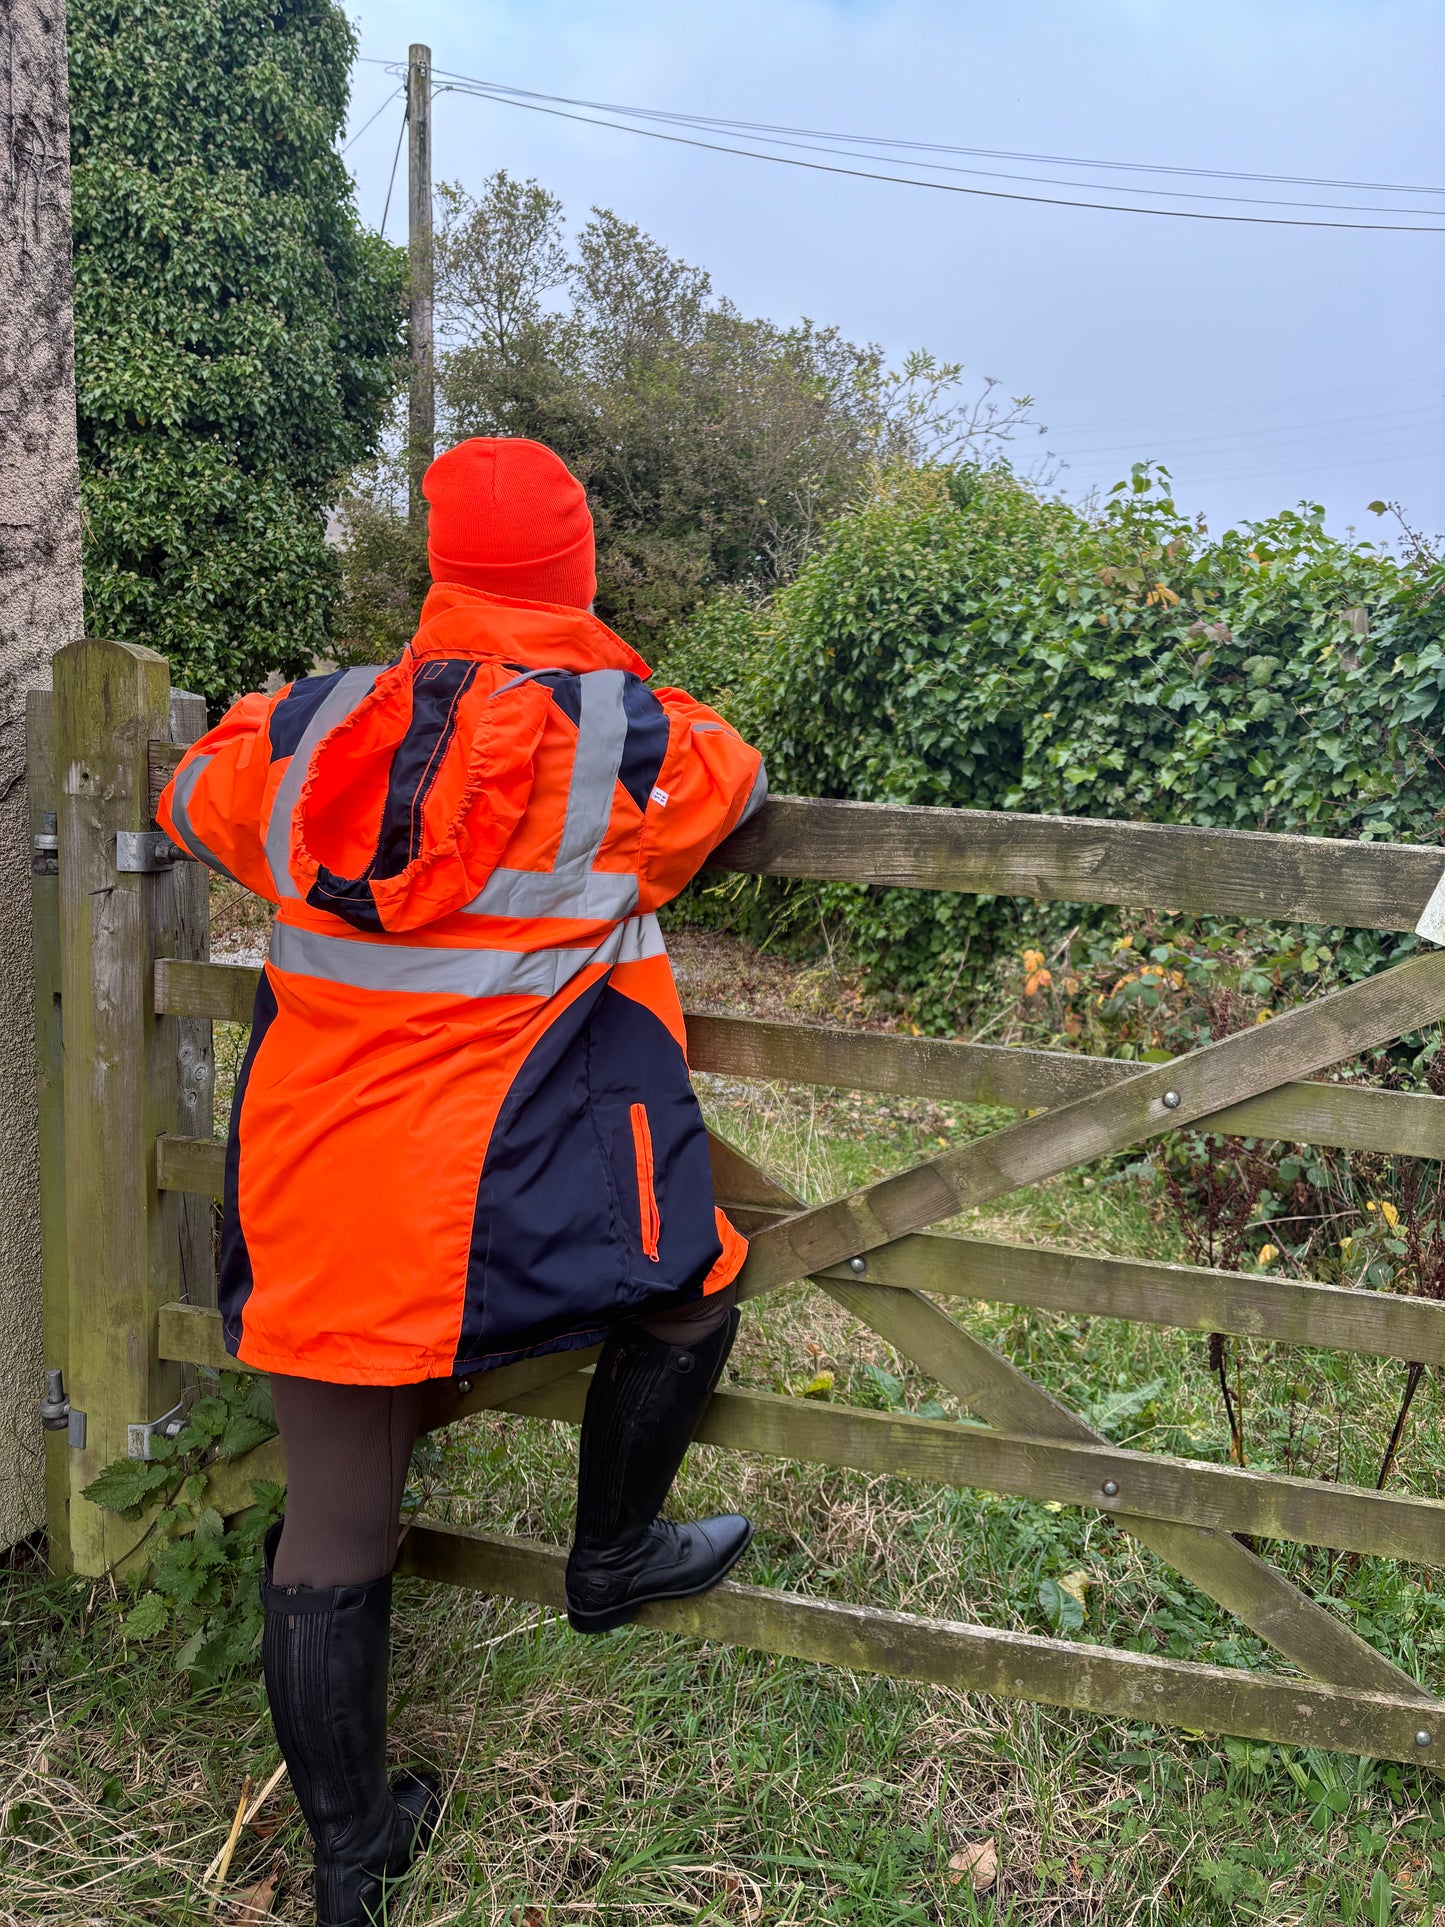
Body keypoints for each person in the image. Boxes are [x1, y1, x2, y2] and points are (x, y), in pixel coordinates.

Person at [158, 437, 768, 1927]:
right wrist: (593, 666)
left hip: (314, 1178)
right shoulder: (620, 740)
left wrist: (313, 703)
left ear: (437, 576)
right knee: (695, 1287)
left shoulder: (313, 732)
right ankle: (612, 1556)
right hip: (505, 1181)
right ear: (576, 578)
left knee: (336, 1514)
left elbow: (193, 792)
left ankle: (351, 1861)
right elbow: (732, 774)